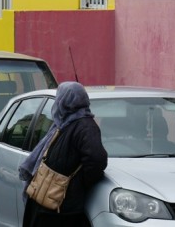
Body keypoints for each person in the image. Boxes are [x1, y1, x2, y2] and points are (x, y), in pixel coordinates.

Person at [19, 82, 108, 227]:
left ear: (64, 101)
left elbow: (96, 159)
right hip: (47, 202)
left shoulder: (85, 126)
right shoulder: (63, 123)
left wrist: (79, 184)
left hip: (62, 207)